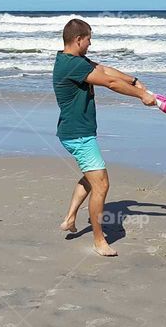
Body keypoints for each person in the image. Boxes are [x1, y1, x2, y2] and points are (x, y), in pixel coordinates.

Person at [53, 18, 155, 257]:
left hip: (77, 132)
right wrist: (141, 95)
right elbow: (109, 82)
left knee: (91, 178)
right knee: (101, 184)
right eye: (89, 39)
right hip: (78, 135)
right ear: (78, 39)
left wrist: (133, 80)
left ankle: (69, 218)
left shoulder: (74, 59)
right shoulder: (71, 65)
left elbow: (105, 70)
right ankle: (99, 241)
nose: (90, 44)